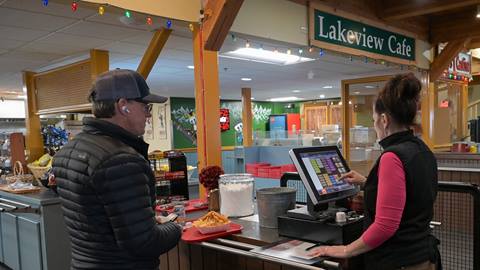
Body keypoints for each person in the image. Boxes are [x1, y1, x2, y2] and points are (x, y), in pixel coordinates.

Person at [52, 69, 182, 270]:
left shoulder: (68, 150)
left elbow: (97, 218)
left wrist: (143, 220)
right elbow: (145, 243)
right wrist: (177, 226)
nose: (148, 115)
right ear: (124, 106)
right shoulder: (122, 160)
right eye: (145, 106)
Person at [309, 73, 440, 270]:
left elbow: (386, 226)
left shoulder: (392, 157)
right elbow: (411, 191)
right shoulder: (422, 149)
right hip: (423, 255)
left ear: (384, 120)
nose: (374, 125)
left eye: (373, 120)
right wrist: (367, 182)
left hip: (398, 260)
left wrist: (345, 250)